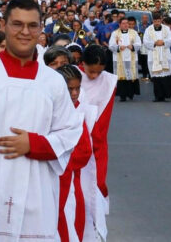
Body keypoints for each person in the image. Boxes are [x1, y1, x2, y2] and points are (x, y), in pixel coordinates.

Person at [0, 0, 84, 241]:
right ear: (3, 26)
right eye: (17, 24)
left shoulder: (53, 81)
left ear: (40, 28)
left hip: (36, 199)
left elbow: (70, 133)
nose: (25, 32)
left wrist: (34, 145)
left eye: (32, 25)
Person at [53, 64, 106, 242]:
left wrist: (57, 158)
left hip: (70, 180)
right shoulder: (47, 110)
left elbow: (84, 151)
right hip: (48, 178)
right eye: (70, 89)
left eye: (77, 89)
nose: (75, 94)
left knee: (70, 222)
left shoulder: (79, 114)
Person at [78, 44, 116, 213]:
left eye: (98, 72)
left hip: (96, 138)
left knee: (97, 181)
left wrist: (95, 136)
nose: (94, 76)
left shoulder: (108, 81)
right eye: (90, 71)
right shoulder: (73, 75)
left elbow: (104, 114)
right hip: (75, 134)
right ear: (82, 63)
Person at [109, 17, 142, 102]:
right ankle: (122, 95)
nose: (126, 24)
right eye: (123, 23)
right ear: (119, 24)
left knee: (130, 75)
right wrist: (119, 47)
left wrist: (133, 46)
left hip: (131, 57)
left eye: (127, 23)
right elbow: (111, 45)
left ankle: (131, 93)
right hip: (120, 58)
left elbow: (139, 43)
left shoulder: (134, 33)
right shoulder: (115, 33)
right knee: (121, 76)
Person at [144, 16, 171, 102]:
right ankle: (158, 96)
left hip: (164, 53)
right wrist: (155, 43)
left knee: (165, 76)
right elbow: (145, 41)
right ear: (153, 21)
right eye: (155, 21)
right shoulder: (148, 30)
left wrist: (163, 42)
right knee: (156, 78)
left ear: (161, 20)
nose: (157, 22)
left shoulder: (166, 29)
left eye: (158, 20)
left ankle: (165, 95)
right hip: (154, 55)